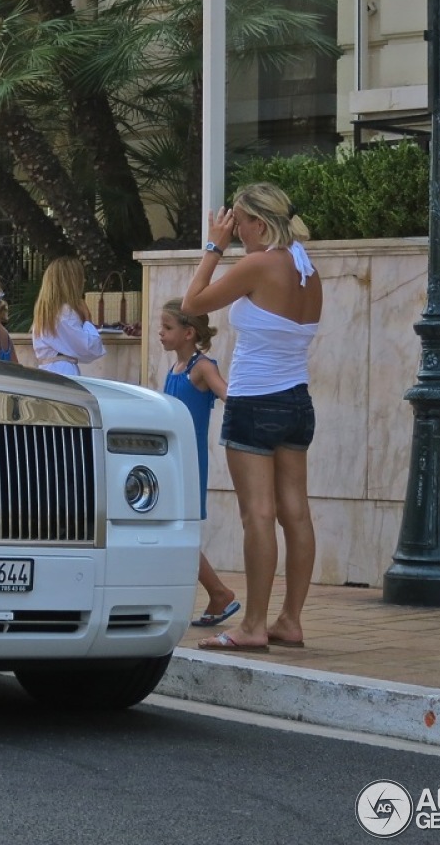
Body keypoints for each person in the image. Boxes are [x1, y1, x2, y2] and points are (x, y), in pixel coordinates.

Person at [183, 182, 321, 653]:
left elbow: (192, 305)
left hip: (255, 402)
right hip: (297, 403)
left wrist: (212, 248)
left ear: (260, 223)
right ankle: (290, 621)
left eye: (239, 223)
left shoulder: (260, 263)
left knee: (258, 515)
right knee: (295, 513)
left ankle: (254, 626)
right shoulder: (305, 267)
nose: (235, 232)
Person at [158, 297, 240, 628]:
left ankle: (219, 592)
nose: (160, 333)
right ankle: (213, 592)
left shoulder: (202, 367)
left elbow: (228, 396)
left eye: (167, 327)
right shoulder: (175, 368)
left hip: (188, 463)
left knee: (180, 531)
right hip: (170, 461)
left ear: (189, 332)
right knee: (169, 530)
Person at [30, 256, 105, 376]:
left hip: (48, 371)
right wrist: (87, 319)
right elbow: (91, 348)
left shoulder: (47, 312)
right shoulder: (65, 313)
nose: (84, 281)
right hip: (63, 373)